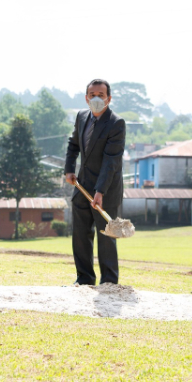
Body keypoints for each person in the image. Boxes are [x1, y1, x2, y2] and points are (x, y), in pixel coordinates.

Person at [64, 79, 126, 285]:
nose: (97, 98)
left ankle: (109, 282)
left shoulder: (116, 123)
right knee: (80, 235)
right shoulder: (82, 117)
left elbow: (111, 161)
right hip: (82, 187)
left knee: (106, 236)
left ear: (109, 98)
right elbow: (73, 145)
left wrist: (100, 191)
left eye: (101, 94)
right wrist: (69, 169)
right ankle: (84, 278)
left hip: (106, 189)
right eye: (92, 94)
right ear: (86, 98)